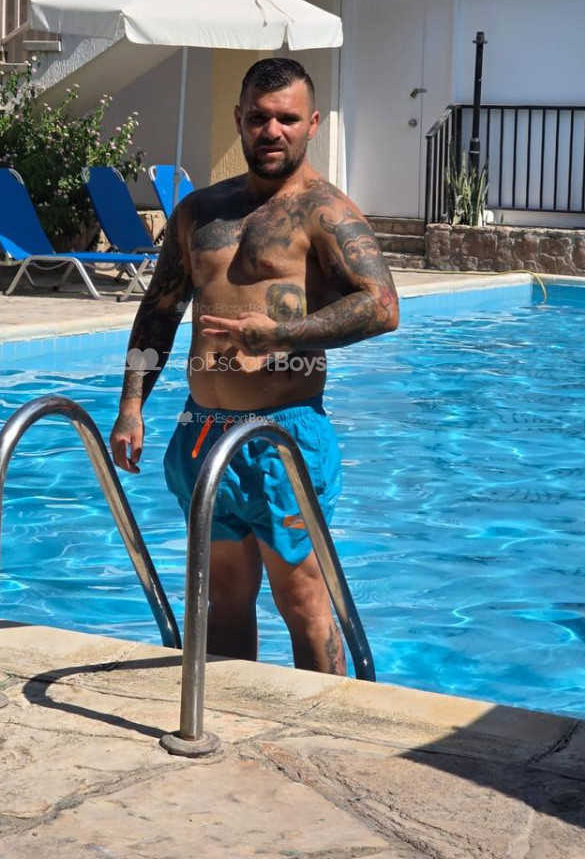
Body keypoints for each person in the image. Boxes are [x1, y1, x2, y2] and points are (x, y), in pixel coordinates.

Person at [110, 57, 399, 674]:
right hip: (201, 431)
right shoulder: (199, 212)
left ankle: (317, 720)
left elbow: (382, 306)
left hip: (282, 435)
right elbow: (160, 309)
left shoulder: (326, 212)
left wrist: (281, 334)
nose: (272, 131)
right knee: (223, 598)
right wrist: (131, 404)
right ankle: (228, 716)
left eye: (287, 119)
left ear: (312, 124)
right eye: (260, 118)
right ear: (239, 119)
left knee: (304, 602)